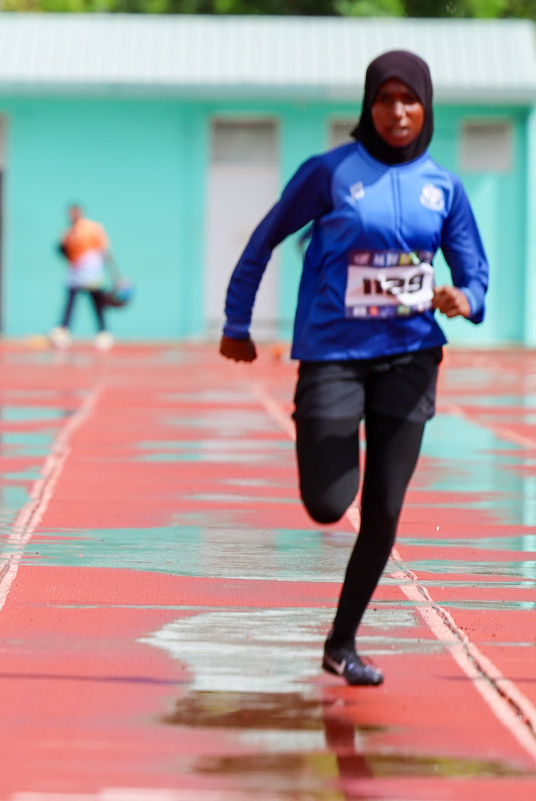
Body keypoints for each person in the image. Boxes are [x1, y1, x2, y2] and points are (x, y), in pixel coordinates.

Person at [220, 50, 488, 686]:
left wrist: (466, 298)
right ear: (369, 107)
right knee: (327, 502)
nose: (398, 113)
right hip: (334, 356)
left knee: (385, 509)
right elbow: (262, 243)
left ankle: (342, 642)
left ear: (426, 108)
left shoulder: (443, 187)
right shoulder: (330, 173)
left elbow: (473, 270)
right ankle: (320, 446)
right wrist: (237, 324)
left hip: (411, 356)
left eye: (410, 101)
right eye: (385, 100)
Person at [50, 203, 114, 351]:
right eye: (71, 212)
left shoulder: (93, 228)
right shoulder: (68, 232)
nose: (73, 215)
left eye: (76, 212)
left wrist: (111, 273)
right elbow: (63, 251)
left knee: (97, 302)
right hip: (76, 270)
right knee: (71, 301)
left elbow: (104, 249)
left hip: (92, 270)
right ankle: (63, 331)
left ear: (81, 212)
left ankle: (103, 333)